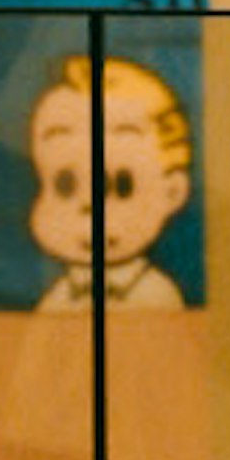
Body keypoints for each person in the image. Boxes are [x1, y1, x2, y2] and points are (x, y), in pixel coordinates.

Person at [27, 53, 195, 307]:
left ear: (173, 192)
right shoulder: (56, 299)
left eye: (122, 186)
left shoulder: (158, 297)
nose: (89, 205)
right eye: (65, 184)